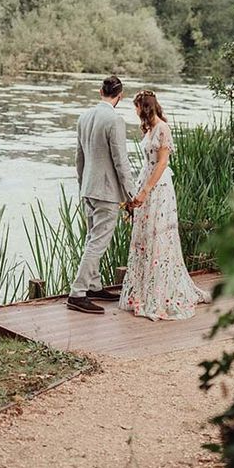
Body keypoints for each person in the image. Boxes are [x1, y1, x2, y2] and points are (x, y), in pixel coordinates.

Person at [119, 90, 211, 320]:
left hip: (158, 187)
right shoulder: (149, 129)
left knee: (158, 236)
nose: (136, 111)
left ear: (144, 107)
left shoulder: (162, 128)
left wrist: (146, 190)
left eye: (137, 107)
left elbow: (162, 163)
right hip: (145, 180)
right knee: (144, 236)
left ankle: (161, 293)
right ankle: (143, 289)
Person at [68, 75, 137, 315]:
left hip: (88, 187)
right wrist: (132, 194)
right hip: (106, 191)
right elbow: (121, 161)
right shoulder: (115, 120)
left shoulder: (84, 117)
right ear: (121, 96)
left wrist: (82, 185)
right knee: (98, 241)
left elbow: (79, 157)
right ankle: (77, 293)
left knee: (91, 238)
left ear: (100, 91)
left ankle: (93, 286)